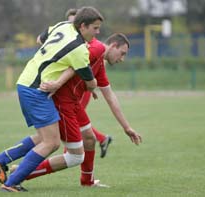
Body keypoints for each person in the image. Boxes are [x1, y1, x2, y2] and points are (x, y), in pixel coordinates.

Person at [0, 6, 104, 192]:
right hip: (37, 89)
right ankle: (11, 182)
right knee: (52, 142)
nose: (98, 32)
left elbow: (41, 38)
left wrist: (52, 59)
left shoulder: (63, 25)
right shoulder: (80, 50)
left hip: (26, 80)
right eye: (95, 28)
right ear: (83, 26)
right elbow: (89, 82)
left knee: (43, 137)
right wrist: (91, 82)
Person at [11, 33, 142, 187]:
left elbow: (110, 96)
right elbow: (74, 64)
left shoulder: (99, 63)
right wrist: (58, 83)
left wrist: (126, 127)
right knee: (72, 155)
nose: (122, 59)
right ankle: (21, 173)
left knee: (89, 139)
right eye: (122, 53)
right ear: (113, 46)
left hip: (73, 103)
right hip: (61, 102)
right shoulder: (95, 48)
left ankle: (87, 182)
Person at [46, 7, 113, 158]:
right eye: (70, 22)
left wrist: (58, 83)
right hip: (70, 92)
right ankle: (100, 139)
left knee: (68, 129)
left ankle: (75, 152)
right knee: (66, 129)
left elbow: (79, 66)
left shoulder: (89, 46)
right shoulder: (68, 37)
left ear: (82, 24)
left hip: (78, 92)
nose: (72, 26)